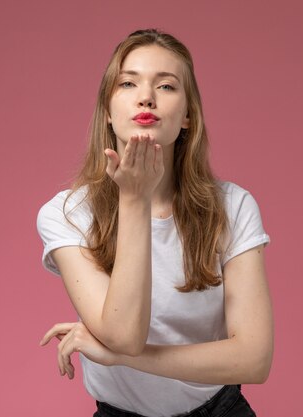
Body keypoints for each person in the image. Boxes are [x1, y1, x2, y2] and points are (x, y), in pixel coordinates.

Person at [36, 29, 272, 417]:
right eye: (128, 83)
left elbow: (254, 359)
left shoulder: (233, 206)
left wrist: (126, 359)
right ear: (108, 113)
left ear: (187, 117)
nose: (147, 96)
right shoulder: (67, 215)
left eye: (166, 85)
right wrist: (133, 198)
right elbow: (124, 335)